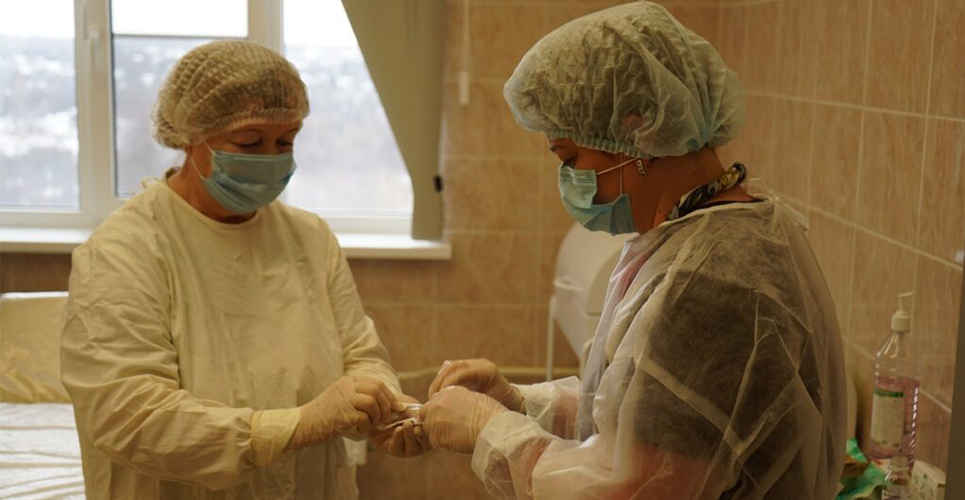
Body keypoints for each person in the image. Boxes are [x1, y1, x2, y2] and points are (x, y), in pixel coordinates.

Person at [419, 3, 847, 500]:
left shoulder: (712, 279)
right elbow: (655, 420)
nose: (568, 180)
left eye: (571, 158)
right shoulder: (708, 233)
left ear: (638, 130)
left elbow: (634, 487)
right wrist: (518, 403)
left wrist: (489, 429)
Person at [60, 40, 428, 500]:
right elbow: (130, 416)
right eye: (249, 143)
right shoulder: (123, 252)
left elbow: (360, 353)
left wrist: (383, 408)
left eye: (286, 142)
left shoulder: (309, 238)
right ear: (190, 136)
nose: (270, 158)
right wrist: (295, 426)